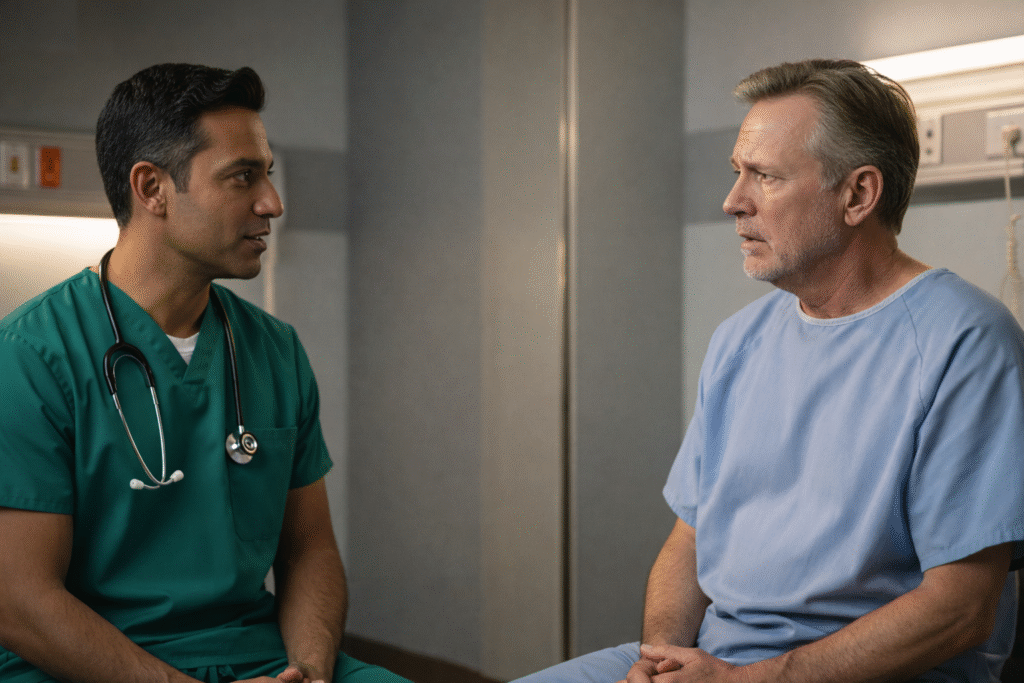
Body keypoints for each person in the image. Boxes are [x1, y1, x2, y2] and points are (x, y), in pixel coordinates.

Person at [512, 59, 1024, 683]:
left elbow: (961, 611)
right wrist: (659, 660)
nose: (733, 202)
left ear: (858, 195)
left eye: (765, 177)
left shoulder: (966, 342)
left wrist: (748, 681)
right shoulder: (739, 341)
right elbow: (689, 541)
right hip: (716, 664)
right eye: (738, 173)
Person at [0, 63, 410, 683]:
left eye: (267, 174)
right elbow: (19, 600)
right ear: (152, 188)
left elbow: (308, 550)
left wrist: (307, 671)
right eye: (243, 177)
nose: (272, 203)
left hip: (256, 659)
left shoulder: (274, 351)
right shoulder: (31, 357)